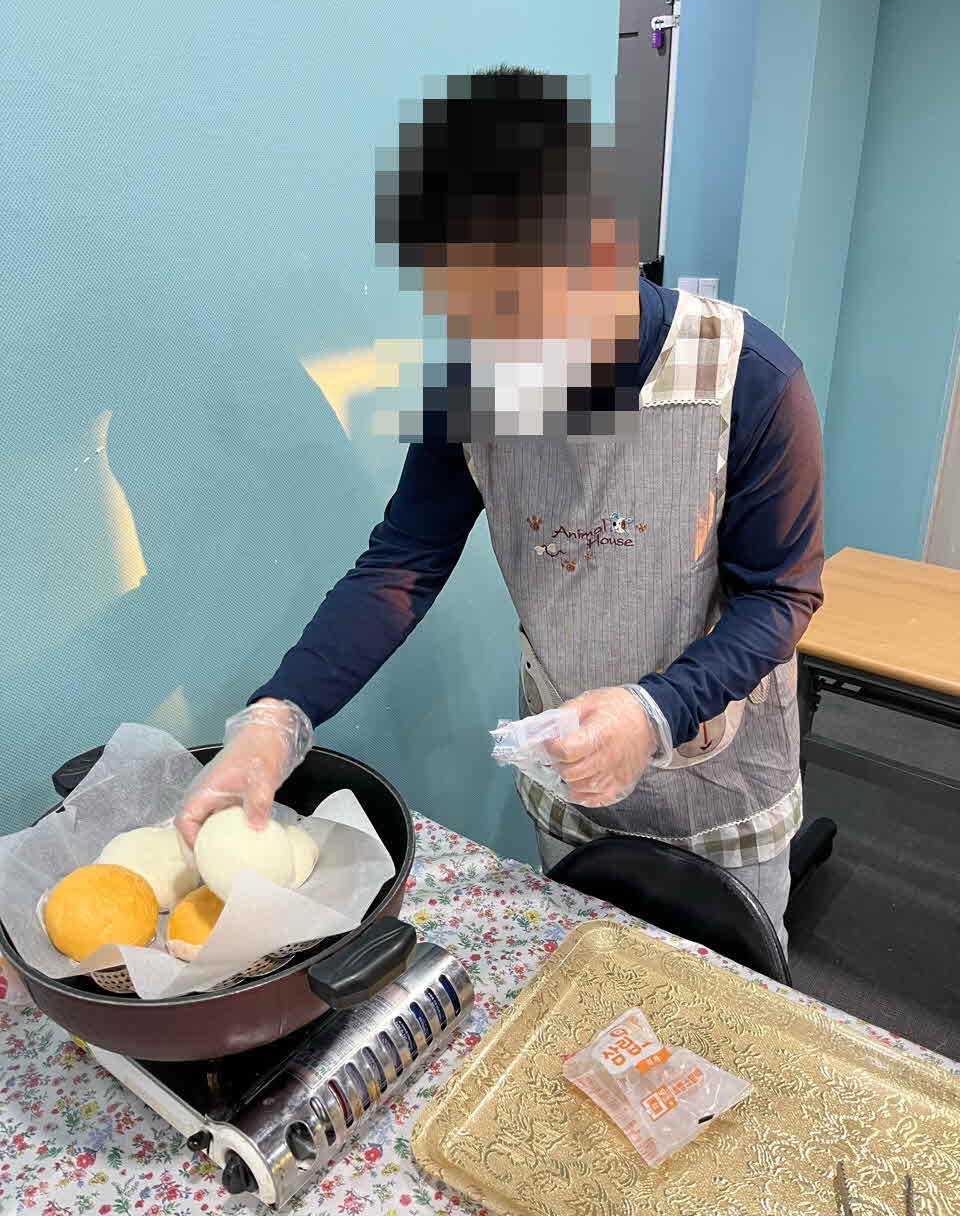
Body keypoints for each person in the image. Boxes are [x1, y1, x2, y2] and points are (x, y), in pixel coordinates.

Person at [176, 67, 824, 950]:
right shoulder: (475, 377)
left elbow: (781, 596)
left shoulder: (750, 379)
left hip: (719, 788)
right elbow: (402, 563)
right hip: (568, 774)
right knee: (586, 981)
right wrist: (277, 718)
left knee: (724, 1015)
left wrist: (653, 711)